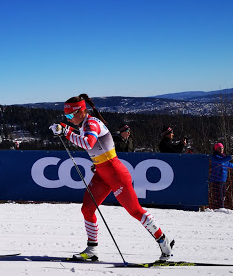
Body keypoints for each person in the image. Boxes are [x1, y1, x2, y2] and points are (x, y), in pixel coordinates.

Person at [49, 93, 174, 261]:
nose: (69, 118)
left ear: (80, 111)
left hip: (116, 174)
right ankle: (92, 249)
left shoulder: (91, 124)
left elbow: (88, 143)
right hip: (102, 173)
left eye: (70, 115)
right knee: (87, 208)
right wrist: (65, 128)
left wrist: (65, 131)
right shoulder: (85, 123)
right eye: (66, 116)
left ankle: (163, 242)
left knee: (135, 211)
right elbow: (91, 145)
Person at [209, 143, 233, 209]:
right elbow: (220, 161)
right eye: (219, 148)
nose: (221, 150)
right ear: (216, 149)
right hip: (216, 181)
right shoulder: (214, 157)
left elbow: (229, 165)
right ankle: (218, 210)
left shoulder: (224, 158)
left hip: (223, 181)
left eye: (222, 148)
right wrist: (230, 157)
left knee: (223, 197)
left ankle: (220, 209)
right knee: (218, 198)